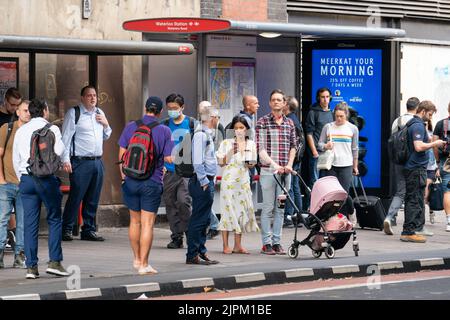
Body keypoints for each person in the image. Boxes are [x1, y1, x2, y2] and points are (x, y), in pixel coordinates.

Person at [13, 99, 69, 279]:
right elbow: (59, 151)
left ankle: (31, 267)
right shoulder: (52, 129)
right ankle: (54, 262)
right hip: (46, 179)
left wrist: (22, 177)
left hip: (26, 179)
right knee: (54, 218)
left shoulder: (21, 131)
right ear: (45, 111)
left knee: (29, 224)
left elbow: (15, 159)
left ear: (30, 112)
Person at [118, 96, 173, 274]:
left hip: (131, 181)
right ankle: (144, 264)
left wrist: (124, 178)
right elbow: (168, 158)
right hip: (152, 181)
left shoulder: (131, 126)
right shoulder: (164, 130)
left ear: (145, 108)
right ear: (160, 111)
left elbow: (121, 156)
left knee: (134, 222)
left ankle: (135, 259)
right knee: (147, 224)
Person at [61, 85, 112, 242]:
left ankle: (88, 229)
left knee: (93, 197)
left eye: (95, 95)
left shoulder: (99, 113)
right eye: (89, 95)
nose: (93, 98)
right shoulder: (74, 113)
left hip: (97, 161)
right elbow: (66, 138)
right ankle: (67, 229)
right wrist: (65, 159)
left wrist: (106, 124)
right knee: (76, 196)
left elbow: (107, 136)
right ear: (82, 97)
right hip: (80, 162)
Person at [256, 89, 297, 255]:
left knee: (280, 208)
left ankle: (277, 242)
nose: (276, 102)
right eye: (273, 100)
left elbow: (293, 146)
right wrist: (275, 165)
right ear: (269, 103)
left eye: (279, 100)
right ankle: (266, 243)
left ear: (284, 103)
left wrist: (288, 165)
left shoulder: (289, 124)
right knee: (267, 209)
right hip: (268, 172)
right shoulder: (262, 122)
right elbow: (260, 149)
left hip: (285, 173)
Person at [401, 101, 445, 243]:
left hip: (414, 167)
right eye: (430, 114)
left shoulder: (414, 123)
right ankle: (408, 232)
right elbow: (419, 147)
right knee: (414, 200)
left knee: (416, 199)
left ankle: (414, 229)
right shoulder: (418, 125)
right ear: (424, 110)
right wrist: (435, 143)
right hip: (415, 168)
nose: (430, 117)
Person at [216, 115, 259, 254]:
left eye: (242, 128)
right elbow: (221, 162)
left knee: (241, 211)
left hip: (243, 181)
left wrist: (248, 158)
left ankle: (238, 245)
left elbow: (252, 164)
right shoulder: (226, 143)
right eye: (236, 128)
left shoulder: (251, 144)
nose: (239, 130)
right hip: (229, 180)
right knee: (227, 210)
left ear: (246, 129)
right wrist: (231, 152)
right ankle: (225, 245)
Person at [186, 103, 220, 265]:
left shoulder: (207, 134)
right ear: (212, 118)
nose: (218, 119)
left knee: (204, 218)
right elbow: (197, 161)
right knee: (199, 219)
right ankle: (192, 254)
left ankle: (201, 251)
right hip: (202, 182)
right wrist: (204, 181)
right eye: (217, 117)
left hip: (206, 180)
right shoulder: (201, 135)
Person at [0, 100, 30, 269]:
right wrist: (1, 179)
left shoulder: (32, 131)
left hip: (24, 184)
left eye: (29, 111)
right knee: (2, 220)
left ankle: (19, 256)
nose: (27, 113)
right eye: (24, 110)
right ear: (17, 112)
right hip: (7, 184)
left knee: (23, 222)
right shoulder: (7, 128)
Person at [384, 97, 420, 235]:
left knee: (400, 191)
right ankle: (412, 224)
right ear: (417, 108)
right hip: (412, 160)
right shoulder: (416, 122)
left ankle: (389, 217)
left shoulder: (397, 121)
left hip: (398, 160)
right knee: (414, 192)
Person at [162, 93, 194, 249]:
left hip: (187, 172)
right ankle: (176, 237)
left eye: (175, 108)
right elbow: (158, 147)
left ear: (182, 107)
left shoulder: (192, 124)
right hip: (169, 172)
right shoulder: (165, 124)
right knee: (170, 205)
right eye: (169, 108)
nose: (172, 111)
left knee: (183, 202)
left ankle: (190, 234)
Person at [317, 102, 359, 216]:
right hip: (331, 165)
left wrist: (355, 166)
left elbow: (355, 148)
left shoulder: (353, 129)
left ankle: (347, 214)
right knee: (332, 193)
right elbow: (319, 144)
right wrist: (325, 146)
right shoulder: (328, 127)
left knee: (343, 193)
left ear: (346, 115)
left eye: (342, 116)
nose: (339, 119)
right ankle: (333, 218)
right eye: (337, 116)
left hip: (346, 164)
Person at [0, 87, 22, 250]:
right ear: (5, 101)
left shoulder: (17, 118)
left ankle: (12, 236)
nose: (14, 108)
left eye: (17, 105)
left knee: (10, 206)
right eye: (12, 105)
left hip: (13, 167)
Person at [305, 88, 334, 191]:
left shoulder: (332, 113)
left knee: (326, 181)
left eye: (327, 97)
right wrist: (314, 151)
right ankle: (312, 206)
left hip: (328, 152)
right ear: (318, 98)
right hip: (316, 152)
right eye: (323, 97)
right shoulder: (313, 112)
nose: (325, 99)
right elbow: (309, 133)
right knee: (314, 181)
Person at [282, 96, 304, 227]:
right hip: (297, 158)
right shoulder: (296, 119)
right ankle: (299, 215)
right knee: (295, 186)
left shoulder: (289, 121)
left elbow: (293, 143)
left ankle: (289, 216)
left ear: (287, 106)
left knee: (289, 186)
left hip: (292, 159)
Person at [433, 101, 450, 233]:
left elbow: (434, 144)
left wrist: (437, 161)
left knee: (447, 191)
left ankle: (449, 221)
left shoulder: (441, 124)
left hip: (445, 161)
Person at [424, 120, 438, 226]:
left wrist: (437, 168)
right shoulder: (418, 134)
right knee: (424, 195)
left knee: (426, 194)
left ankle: (431, 210)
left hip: (430, 168)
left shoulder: (431, 135)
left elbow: (435, 149)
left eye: (426, 123)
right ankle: (428, 211)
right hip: (421, 167)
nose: (424, 124)